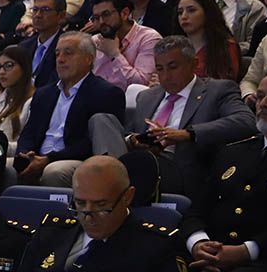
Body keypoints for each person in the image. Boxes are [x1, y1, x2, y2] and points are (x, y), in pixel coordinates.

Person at [14, 156, 198, 272]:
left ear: (127, 197)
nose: (88, 216)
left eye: (101, 206)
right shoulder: (53, 232)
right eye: (79, 204)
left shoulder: (157, 245)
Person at [91, 35, 256, 200]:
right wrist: (133, 140)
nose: (166, 76)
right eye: (160, 69)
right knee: (101, 120)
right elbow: (130, 132)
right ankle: (114, 181)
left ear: (194, 64)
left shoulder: (218, 90)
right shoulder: (146, 96)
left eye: (173, 67)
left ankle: (112, 188)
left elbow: (246, 121)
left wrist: (187, 134)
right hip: (139, 163)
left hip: (181, 167)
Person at [182, 73, 267, 272]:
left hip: (263, 259)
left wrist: (246, 251)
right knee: (162, 263)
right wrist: (199, 244)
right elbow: (197, 209)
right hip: (213, 254)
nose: (264, 104)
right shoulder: (233, 152)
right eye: (260, 97)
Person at [15, 32, 125, 187]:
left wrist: (49, 159)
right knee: (4, 166)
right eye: (57, 54)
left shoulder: (106, 93)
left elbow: (91, 143)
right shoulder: (44, 93)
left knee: (54, 172)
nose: (60, 59)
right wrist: (25, 154)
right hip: (39, 155)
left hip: (77, 160)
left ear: (88, 59)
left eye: (68, 53)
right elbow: (29, 132)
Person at [88, 0, 161, 90]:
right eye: (96, 18)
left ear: (124, 13)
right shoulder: (94, 41)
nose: (101, 22)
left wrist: (114, 54)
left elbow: (142, 85)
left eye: (106, 14)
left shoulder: (149, 39)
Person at [173, 0, 243, 81]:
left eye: (191, 10)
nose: (184, 16)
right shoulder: (174, 47)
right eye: (180, 12)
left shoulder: (226, 47)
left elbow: (224, 86)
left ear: (207, 12)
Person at [0, 46, 35, 151]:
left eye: (8, 65)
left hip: (8, 158)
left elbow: (27, 145)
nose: (1, 72)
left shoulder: (33, 101)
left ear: (25, 68)